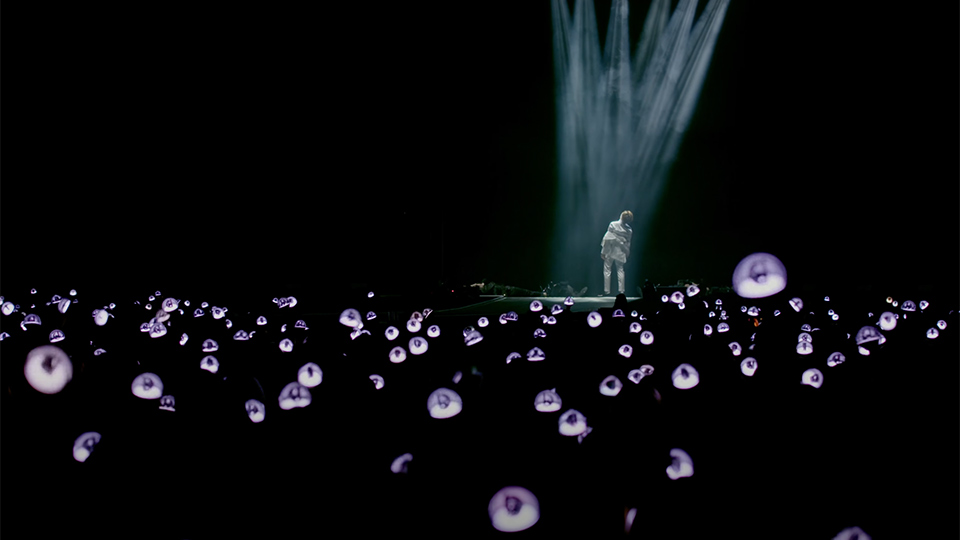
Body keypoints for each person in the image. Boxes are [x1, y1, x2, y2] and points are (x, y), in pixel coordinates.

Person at [600, 210, 633, 296]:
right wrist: (627, 252)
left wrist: (603, 251)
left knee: (607, 270)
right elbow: (628, 242)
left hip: (610, 250)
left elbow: (607, 238)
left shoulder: (613, 224)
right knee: (620, 270)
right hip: (621, 251)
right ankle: (621, 291)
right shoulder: (629, 229)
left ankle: (607, 291)